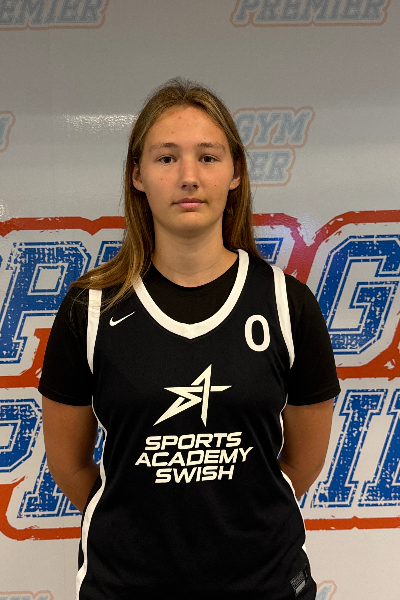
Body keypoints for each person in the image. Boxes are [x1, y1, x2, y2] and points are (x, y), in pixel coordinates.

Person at [39, 78, 340, 600]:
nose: (188, 177)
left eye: (207, 157)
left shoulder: (287, 304)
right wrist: (136, 530)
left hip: (264, 584)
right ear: (137, 174)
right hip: (126, 586)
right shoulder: (90, 309)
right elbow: (69, 466)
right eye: (166, 158)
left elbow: (302, 463)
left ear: (235, 171)